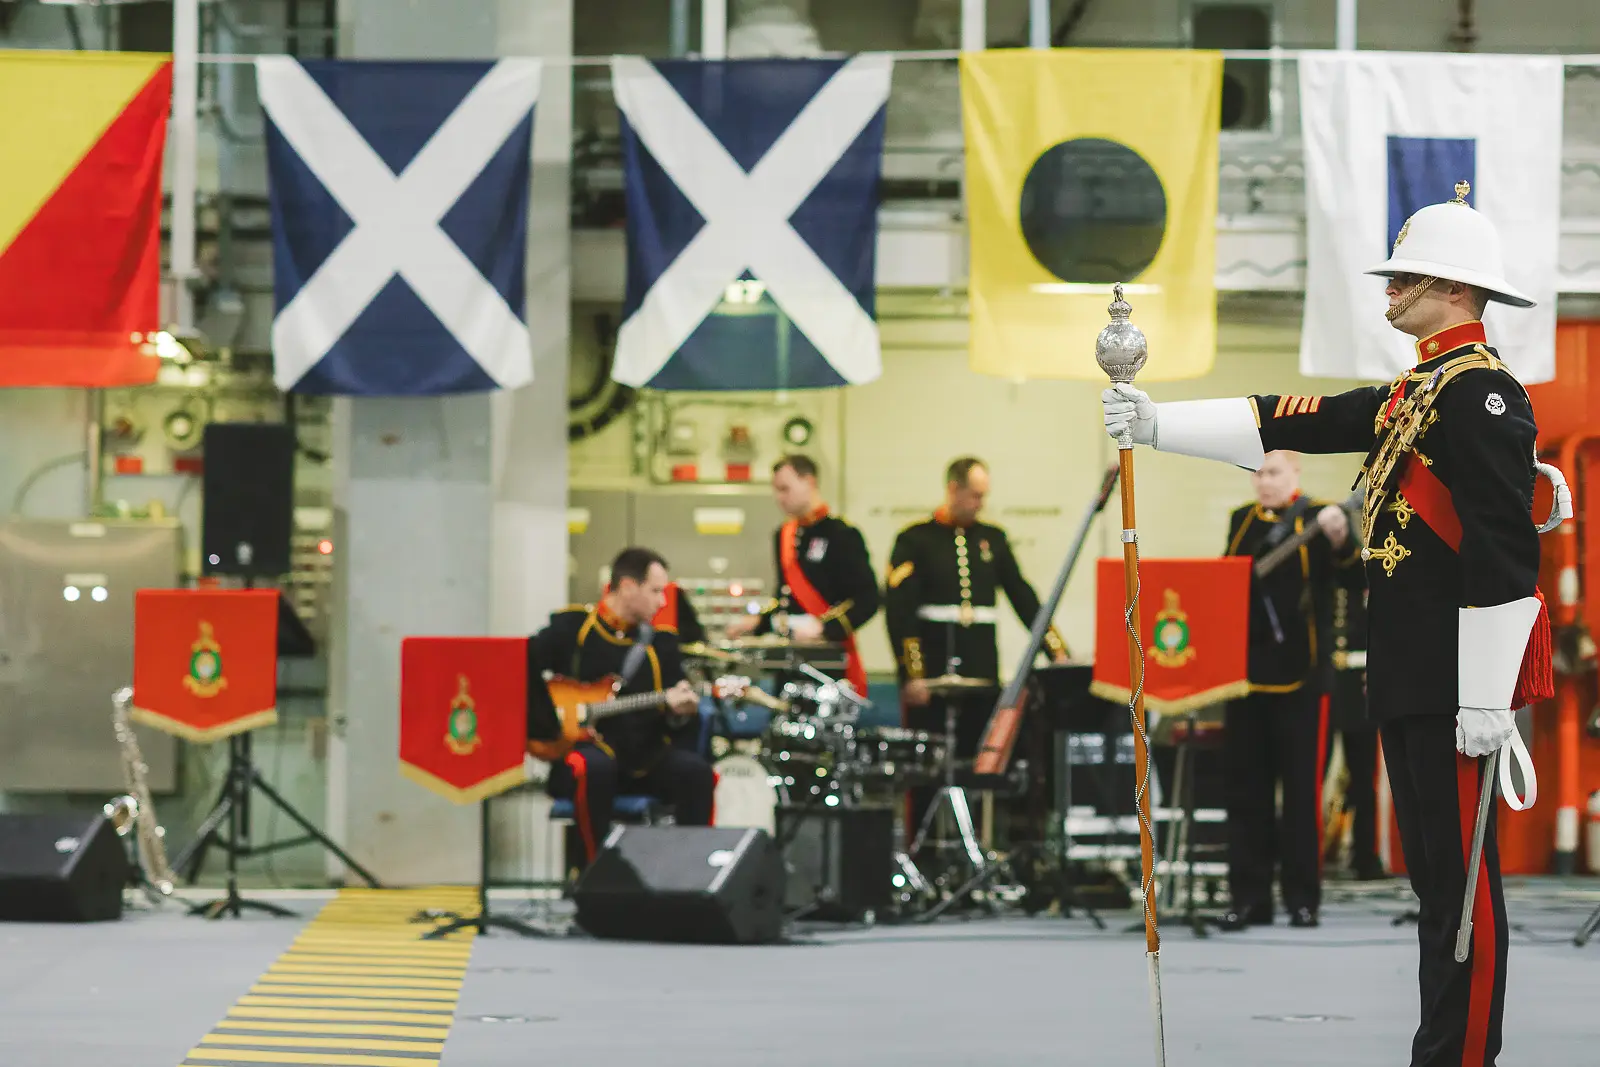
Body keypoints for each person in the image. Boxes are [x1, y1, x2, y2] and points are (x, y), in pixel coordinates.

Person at [1102, 183, 1551, 1067]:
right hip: (1408, 672)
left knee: (1464, 886)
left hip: (1458, 684)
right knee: (1434, 881)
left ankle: (1466, 1056)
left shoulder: (1483, 395)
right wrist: (1158, 424)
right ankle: (1440, 1046)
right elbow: (1293, 415)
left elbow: (1504, 547)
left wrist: (1491, 692)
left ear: (1454, 288)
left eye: (1405, 280)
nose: (1388, 295)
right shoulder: (1415, 389)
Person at [884, 457, 1070, 837]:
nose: (980, 504)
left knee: (984, 766)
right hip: (932, 676)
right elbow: (899, 614)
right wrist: (912, 675)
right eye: (974, 495)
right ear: (953, 489)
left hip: (981, 673)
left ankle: (981, 847)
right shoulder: (915, 540)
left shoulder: (993, 540)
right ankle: (924, 850)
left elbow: (1023, 597)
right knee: (927, 772)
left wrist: (1057, 650)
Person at [1218, 449, 1359, 931]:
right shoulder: (1241, 520)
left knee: (1301, 798)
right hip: (1245, 678)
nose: (1264, 482)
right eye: (1257, 473)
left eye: (1273, 472)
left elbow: (1351, 575)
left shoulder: (1322, 517)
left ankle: (1302, 899)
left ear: (1295, 472)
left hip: (1304, 679)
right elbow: (1224, 584)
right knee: (1247, 794)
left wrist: (1343, 540)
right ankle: (1248, 898)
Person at [528, 547, 712, 866]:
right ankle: (593, 874)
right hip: (587, 753)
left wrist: (678, 713)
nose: (663, 602)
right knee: (593, 768)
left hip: (643, 759)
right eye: (656, 591)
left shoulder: (661, 644)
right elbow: (524, 666)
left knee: (696, 773)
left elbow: (677, 716)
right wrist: (550, 726)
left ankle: (691, 875)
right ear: (627, 587)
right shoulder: (573, 630)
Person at [725, 454, 880, 693]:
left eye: (785, 489)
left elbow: (869, 597)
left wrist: (824, 628)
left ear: (809, 482)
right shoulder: (783, 535)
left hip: (825, 661)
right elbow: (785, 597)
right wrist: (758, 622)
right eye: (776, 490)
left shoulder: (841, 535)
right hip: (789, 656)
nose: (779, 498)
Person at [1325, 548, 1388, 882]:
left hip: (1358, 678)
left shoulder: (1373, 573)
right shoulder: (1320, 574)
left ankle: (1365, 856)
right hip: (1323, 680)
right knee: (1312, 775)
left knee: (1363, 777)